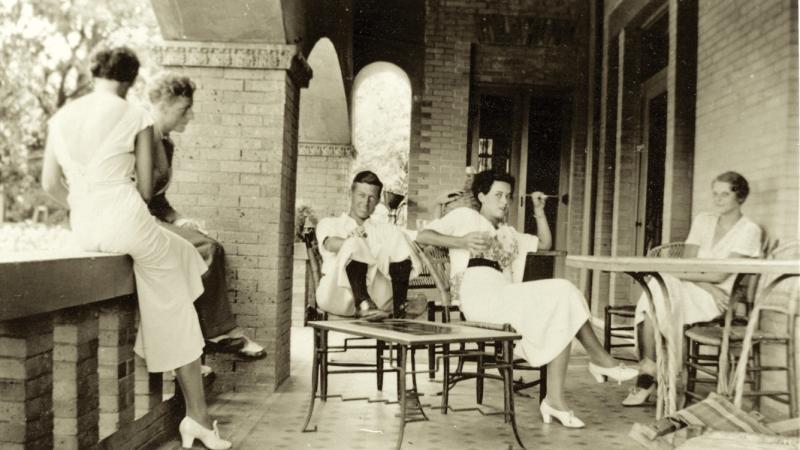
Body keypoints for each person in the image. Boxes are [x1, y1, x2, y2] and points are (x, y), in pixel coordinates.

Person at [41, 48, 230, 449]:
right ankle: (197, 415)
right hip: (127, 222)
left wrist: (86, 202)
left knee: (177, 267)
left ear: (96, 73)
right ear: (130, 79)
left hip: (84, 226)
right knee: (179, 284)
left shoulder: (62, 118)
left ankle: (170, 363)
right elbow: (147, 188)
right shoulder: (136, 115)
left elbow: (50, 185)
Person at [416, 169, 638, 429]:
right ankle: (600, 360)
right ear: (482, 196)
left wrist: (539, 210)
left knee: (562, 302)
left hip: (504, 294)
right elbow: (423, 236)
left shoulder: (509, 233)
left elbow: (544, 243)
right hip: (478, 295)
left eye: (508, 196)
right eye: (498, 195)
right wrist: (461, 241)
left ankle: (556, 400)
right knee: (563, 291)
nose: (504, 202)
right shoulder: (464, 216)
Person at [147, 73, 266, 361]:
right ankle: (215, 334)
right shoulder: (142, 137)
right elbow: (135, 192)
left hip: (155, 217)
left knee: (211, 247)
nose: (190, 114)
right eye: (183, 109)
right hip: (138, 221)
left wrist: (178, 220)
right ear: (162, 105)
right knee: (206, 250)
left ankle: (204, 340)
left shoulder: (166, 144)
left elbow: (158, 197)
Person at [623, 171, 762, 406]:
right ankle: (650, 371)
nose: (717, 199)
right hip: (699, 288)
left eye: (724, 194)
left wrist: (701, 281)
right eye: (715, 194)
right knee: (656, 291)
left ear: (740, 197)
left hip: (718, 298)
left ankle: (648, 375)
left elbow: (721, 274)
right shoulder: (703, 220)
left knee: (657, 291)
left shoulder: (749, 230)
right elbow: (686, 263)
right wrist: (704, 283)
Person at [316, 171, 422, 320]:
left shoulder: (383, 228)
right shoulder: (330, 223)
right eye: (361, 195)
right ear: (350, 194)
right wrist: (353, 242)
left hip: (377, 297)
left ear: (378, 200)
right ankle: (363, 303)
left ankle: (400, 306)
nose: (366, 202)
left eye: (371, 197)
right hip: (337, 295)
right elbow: (330, 244)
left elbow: (413, 239)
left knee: (398, 236)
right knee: (354, 241)